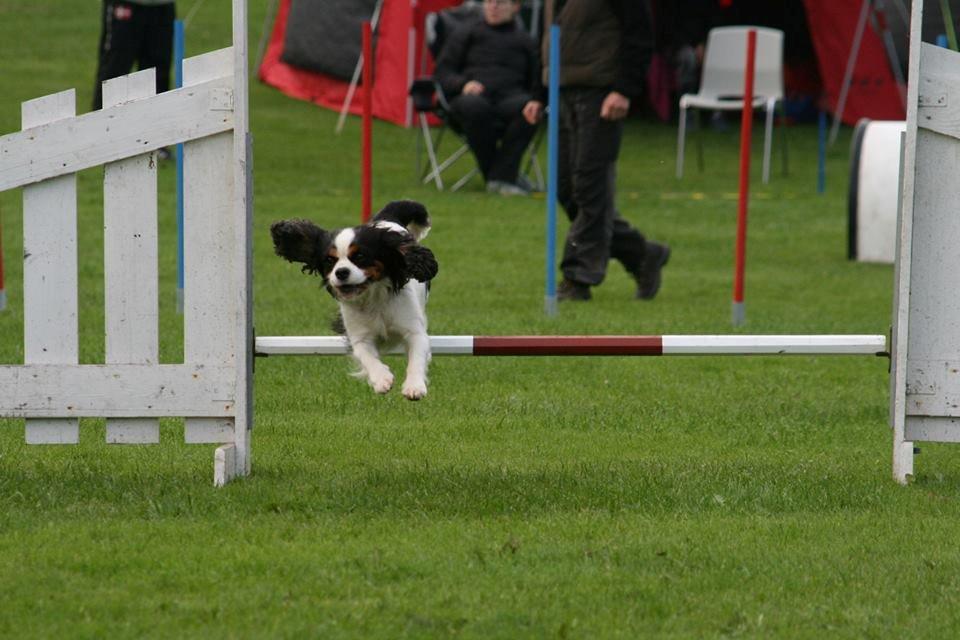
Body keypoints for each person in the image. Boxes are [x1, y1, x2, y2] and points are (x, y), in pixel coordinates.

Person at [524, 0, 670, 301]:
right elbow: (549, 39)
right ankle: (642, 254)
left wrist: (624, 89)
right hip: (560, 92)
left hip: (600, 93)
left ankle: (579, 277)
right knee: (567, 188)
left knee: (590, 187)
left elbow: (640, 35)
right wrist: (538, 93)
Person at [433, 0, 541, 196]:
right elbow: (443, 71)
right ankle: (502, 176)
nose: (493, 7)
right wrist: (463, 84)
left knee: (530, 109)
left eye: (500, 3)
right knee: (474, 106)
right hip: (471, 100)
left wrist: (535, 99)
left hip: (510, 98)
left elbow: (537, 80)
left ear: (516, 7)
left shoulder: (526, 41)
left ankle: (499, 177)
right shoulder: (466, 32)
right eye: (489, 2)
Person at [92, 0, 176, 112]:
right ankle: (102, 125)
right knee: (113, 74)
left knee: (157, 78)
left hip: (162, 5)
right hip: (125, 5)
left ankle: (154, 125)